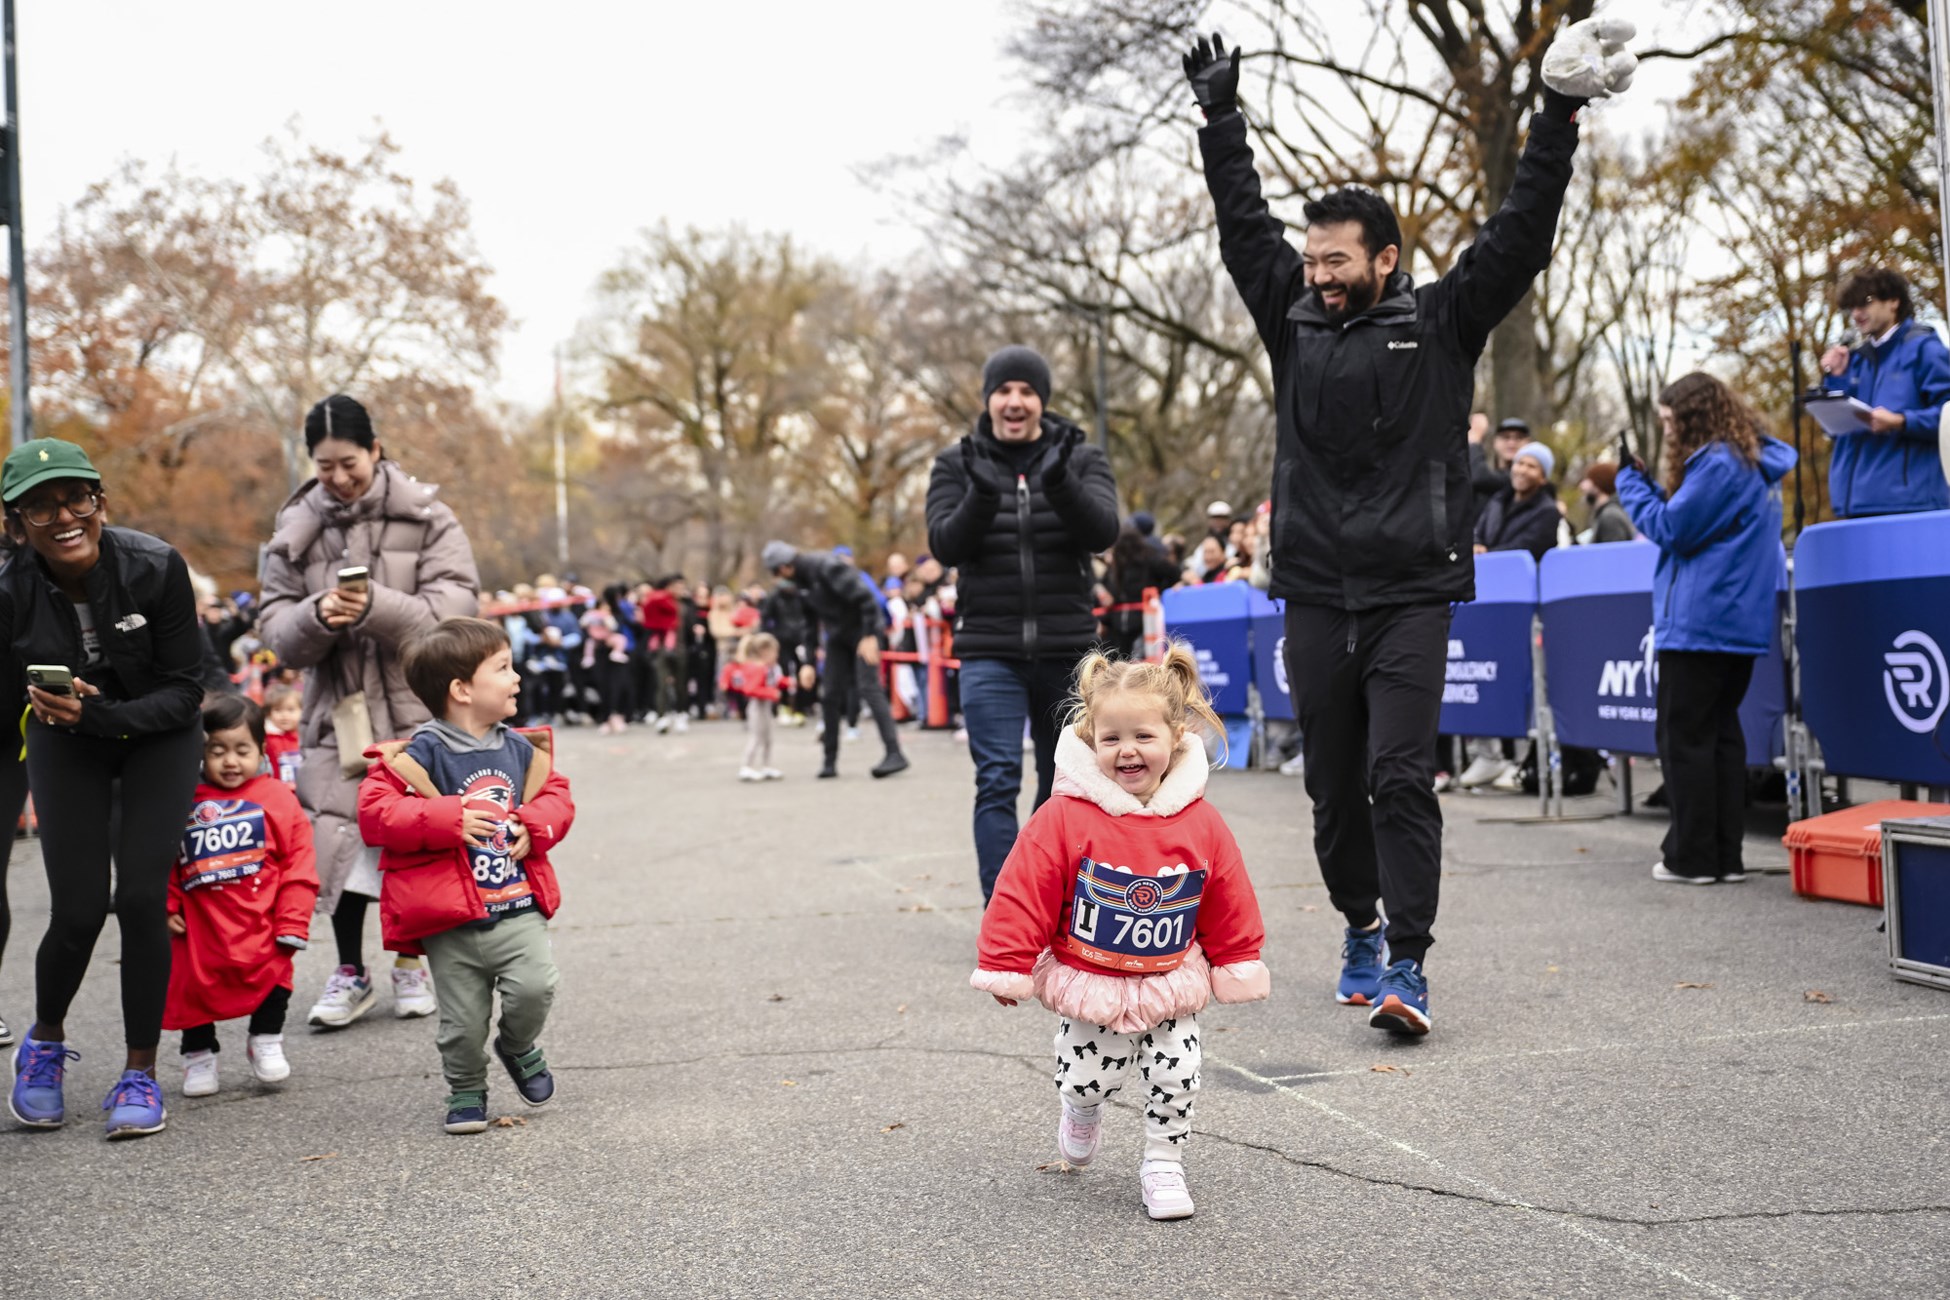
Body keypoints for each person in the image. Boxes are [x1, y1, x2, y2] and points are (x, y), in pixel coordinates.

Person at [1184, 18, 1636, 1034]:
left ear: (1387, 258)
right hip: (1311, 591)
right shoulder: (1289, 317)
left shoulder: (1440, 321)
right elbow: (1239, 222)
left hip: (1409, 595)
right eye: (1314, 260)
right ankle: (1357, 919)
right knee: (1336, 792)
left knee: (1399, 774)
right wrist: (1220, 117)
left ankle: (1409, 961)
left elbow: (1521, 235)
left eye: (1339, 260)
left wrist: (1556, 115)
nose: (1321, 274)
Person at [971, 643, 1268, 1221]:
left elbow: (1227, 893)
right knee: (1088, 1081)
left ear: (1175, 737)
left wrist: (1237, 960)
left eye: (1143, 736)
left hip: (1168, 983)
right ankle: (1080, 1111)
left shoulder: (1200, 819)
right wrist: (1008, 964)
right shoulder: (1063, 815)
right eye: (1111, 739)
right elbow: (1024, 887)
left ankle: (1163, 1163)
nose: (1127, 750)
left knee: (1177, 1076)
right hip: (1091, 982)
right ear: (1091, 741)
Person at [2, 438, 206, 1138]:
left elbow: (188, 691)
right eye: (39, 506)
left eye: (76, 498)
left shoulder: (155, 566)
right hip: (65, 740)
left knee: (143, 896)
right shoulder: (9, 589)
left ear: (100, 501)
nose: (63, 516)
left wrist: (105, 714)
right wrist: (49, 707)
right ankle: (45, 1044)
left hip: (158, 736)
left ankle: (140, 1072)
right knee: (80, 908)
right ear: (14, 522)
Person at [258, 394, 480, 1031]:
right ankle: (350, 970)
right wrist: (315, 617)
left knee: (417, 836)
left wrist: (373, 605)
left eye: (348, 462)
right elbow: (274, 626)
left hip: (417, 702)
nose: (338, 477)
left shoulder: (429, 515)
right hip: (339, 708)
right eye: (324, 466)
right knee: (338, 837)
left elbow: (455, 611)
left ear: (376, 449)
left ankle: (410, 962)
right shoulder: (295, 525)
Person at [358, 617, 576, 1133]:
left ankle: (517, 1046)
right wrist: (446, 817)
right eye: (503, 668)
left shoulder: (522, 750)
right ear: (461, 690)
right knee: (461, 1024)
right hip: (450, 918)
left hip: (515, 903)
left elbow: (556, 797)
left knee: (535, 987)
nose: (516, 678)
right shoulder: (419, 755)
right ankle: (466, 1089)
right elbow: (375, 813)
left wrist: (535, 822)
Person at [924, 345, 1120, 900]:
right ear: (988, 400)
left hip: (1067, 650)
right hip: (989, 649)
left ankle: (1044, 896)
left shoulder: (1080, 458)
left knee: (1062, 784)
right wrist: (984, 492)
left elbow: (1103, 532)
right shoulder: (955, 463)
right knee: (996, 780)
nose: (1015, 401)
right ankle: (1002, 908)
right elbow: (945, 544)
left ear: (1042, 401)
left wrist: (1059, 482)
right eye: (1003, 390)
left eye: (1027, 391)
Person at [1615, 373, 1796, 884]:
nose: (1668, 431)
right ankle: (1723, 856)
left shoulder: (1718, 462)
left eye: (1671, 420)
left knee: (1685, 740)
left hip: (1700, 622)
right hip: (1734, 621)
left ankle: (1691, 858)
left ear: (1694, 415)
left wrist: (1629, 484)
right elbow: (1692, 521)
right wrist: (1651, 486)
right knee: (1719, 738)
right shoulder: (1750, 460)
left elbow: (1674, 530)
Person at [165, 696, 320, 1097]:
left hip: (262, 921)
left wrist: (293, 920)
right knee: (189, 986)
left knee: (276, 979)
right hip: (200, 924)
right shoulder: (183, 799)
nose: (230, 761)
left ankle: (266, 1039)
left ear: (261, 751)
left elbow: (299, 863)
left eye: (241, 750)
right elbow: (163, 858)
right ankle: (197, 1054)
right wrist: (165, 907)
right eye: (217, 751)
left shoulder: (279, 798)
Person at [761, 541, 909, 780]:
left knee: (869, 687)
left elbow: (867, 599)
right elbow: (809, 625)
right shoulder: (801, 584)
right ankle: (829, 761)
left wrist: (870, 635)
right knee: (829, 694)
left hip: (863, 630)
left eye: (777, 573)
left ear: (786, 566)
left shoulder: (826, 567)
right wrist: (808, 662)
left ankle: (895, 753)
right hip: (838, 636)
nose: (779, 579)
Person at [1818, 267, 1950, 517]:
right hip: (1853, 507)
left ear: (1893, 301)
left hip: (1910, 507)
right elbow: (1837, 428)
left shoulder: (1925, 350)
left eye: (1865, 303)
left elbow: (1948, 418)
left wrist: (1901, 421)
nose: (1857, 314)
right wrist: (1836, 378)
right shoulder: (1856, 360)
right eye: (1852, 307)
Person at [1105, 525, 1183, 660]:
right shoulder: (1117, 565)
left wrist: (1160, 593)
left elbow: (1173, 573)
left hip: (1144, 621)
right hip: (1122, 623)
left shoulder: (1148, 559)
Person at [1473, 441, 1560, 562]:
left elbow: (1526, 548)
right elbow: (1477, 531)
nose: (1523, 470)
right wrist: (1476, 545)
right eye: (1520, 463)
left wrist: (1486, 554)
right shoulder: (1498, 500)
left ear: (1543, 479)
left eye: (1531, 466)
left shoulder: (1548, 511)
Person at [727, 632, 786, 782]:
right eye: (774, 652)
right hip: (757, 707)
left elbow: (775, 681)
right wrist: (771, 693)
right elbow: (750, 689)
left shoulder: (769, 669)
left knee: (768, 738)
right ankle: (746, 766)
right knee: (756, 738)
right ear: (764, 652)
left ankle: (767, 766)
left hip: (766, 707)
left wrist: (787, 682)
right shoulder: (757, 668)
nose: (776, 656)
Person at [1578, 462, 1636, 543]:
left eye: (1588, 480)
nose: (1582, 486)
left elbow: (1612, 553)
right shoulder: (1611, 512)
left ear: (1599, 483)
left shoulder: (1610, 516)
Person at [263, 685, 305, 786]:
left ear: (302, 711)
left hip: (303, 788)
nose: (284, 715)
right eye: (278, 710)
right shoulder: (267, 739)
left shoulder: (304, 737)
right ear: (269, 713)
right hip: (278, 789)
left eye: (291, 710)